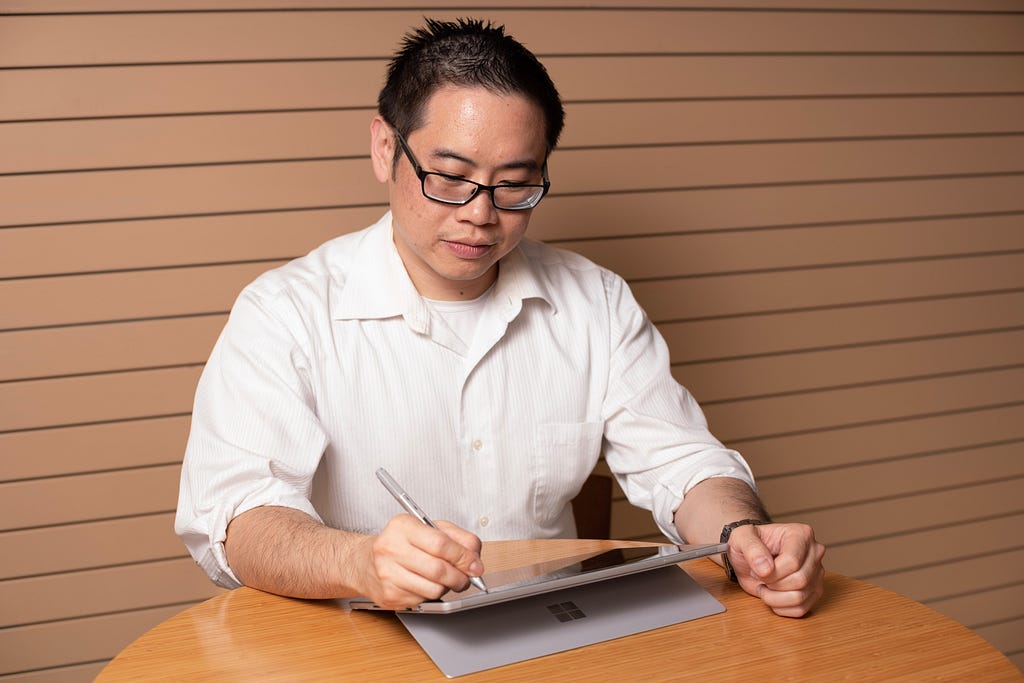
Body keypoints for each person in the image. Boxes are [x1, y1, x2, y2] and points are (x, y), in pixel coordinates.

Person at [175, 18, 825, 617]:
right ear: (384, 148)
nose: (481, 214)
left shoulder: (594, 301)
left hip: (549, 632)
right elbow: (234, 519)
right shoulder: (285, 312)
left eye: (515, 183)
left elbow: (682, 463)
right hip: (359, 644)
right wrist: (357, 561)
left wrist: (744, 535)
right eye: (451, 177)